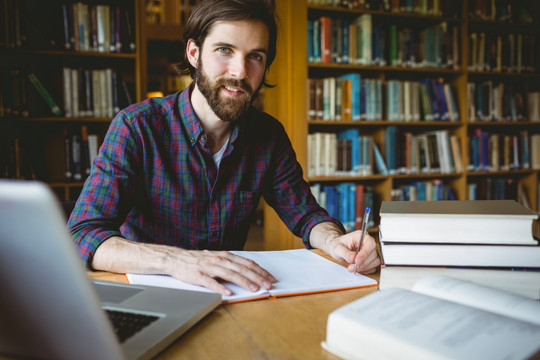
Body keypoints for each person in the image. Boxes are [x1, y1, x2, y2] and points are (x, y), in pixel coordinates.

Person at [68, 0, 380, 296]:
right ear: (194, 52)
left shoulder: (268, 135)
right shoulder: (136, 128)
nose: (240, 72)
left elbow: (306, 215)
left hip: (230, 296)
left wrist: (336, 241)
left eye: (255, 56)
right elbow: (82, 234)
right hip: (151, 293)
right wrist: (177, 261)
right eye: (224, 50)